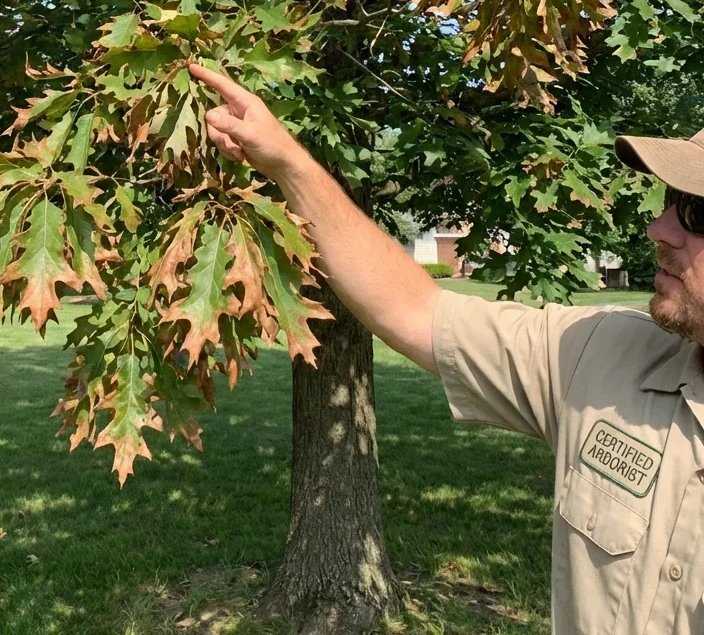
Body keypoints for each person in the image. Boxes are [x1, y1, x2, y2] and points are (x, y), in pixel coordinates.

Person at [189, 62, 704, 635]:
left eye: (695, 212)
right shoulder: (598, 354)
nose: (659, 228)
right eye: (666, 200)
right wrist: (290, 163)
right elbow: (418, 310)